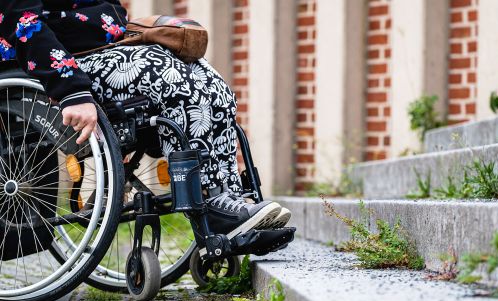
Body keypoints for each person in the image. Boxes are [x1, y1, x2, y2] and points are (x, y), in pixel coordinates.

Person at [0, 0, 291, 240]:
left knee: (211, 82)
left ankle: (230, 198)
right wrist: (72, 90)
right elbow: (21, 21)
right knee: (170, 79)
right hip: (56, 64)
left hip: (99, 52)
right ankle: (211, 203)